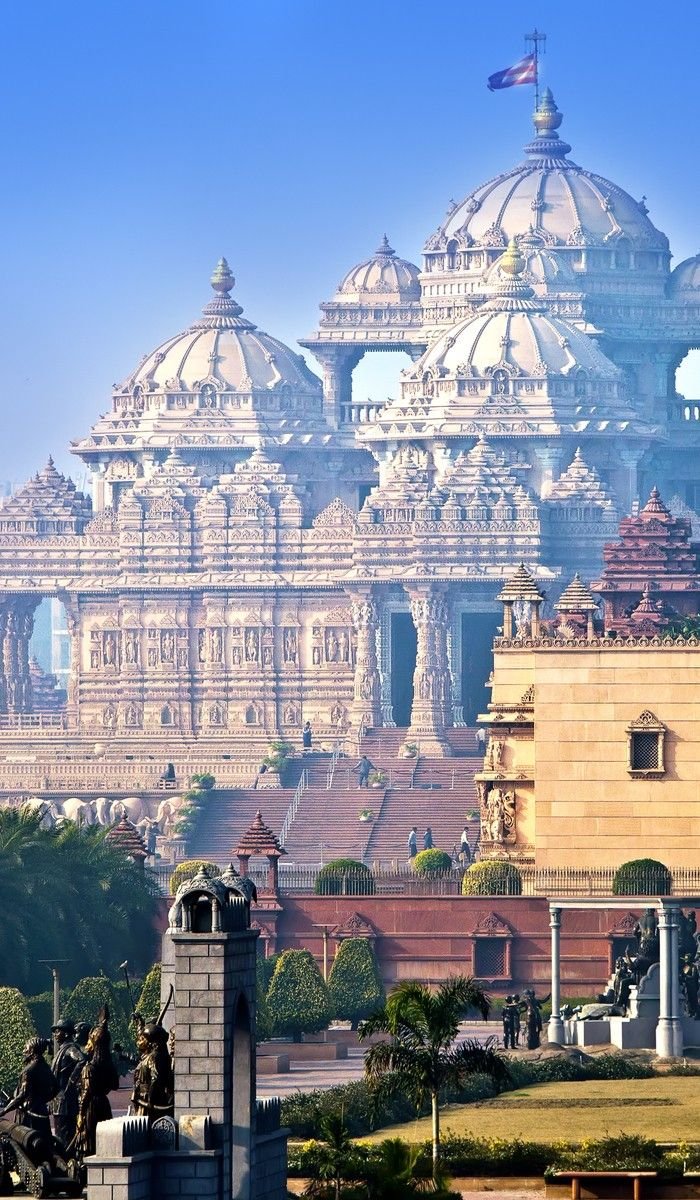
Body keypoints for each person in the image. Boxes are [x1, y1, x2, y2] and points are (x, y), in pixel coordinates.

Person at [74, 1008, 120, 1160]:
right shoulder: (108, 1065)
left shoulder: (89, 1068)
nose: (87, 1044)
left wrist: (80, 1114)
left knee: (89, 1141)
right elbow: (115, 1085)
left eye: (90, 1040)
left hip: (91, 1108)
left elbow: (86, 1093)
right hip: (103, 1105)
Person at [0, 1038, 58, 1149]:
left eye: (25, 1049)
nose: (23, 1051)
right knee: (46, 1146)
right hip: (42, 1114)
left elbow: (22, 1095)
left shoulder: (28, 1070)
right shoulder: (46, 1068)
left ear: (32, 1051)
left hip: (28, 1116)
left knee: (27, 1147)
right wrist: (43, 1100)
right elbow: (56, 1088)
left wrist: (5, 1111)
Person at [50, 1018, 85, 1149]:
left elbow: (81, 1060)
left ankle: (67, 1161)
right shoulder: (62, 1050)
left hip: (65, 1101)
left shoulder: (70, 1049)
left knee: (65, 1136)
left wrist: (71, 1081)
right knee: (60, 1134)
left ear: (65, 1033)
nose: (54, 1034)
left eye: (57, 1031)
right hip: (59, 1100)